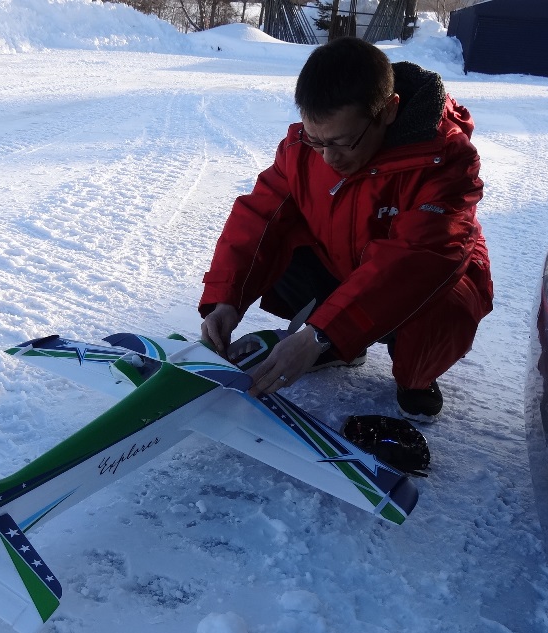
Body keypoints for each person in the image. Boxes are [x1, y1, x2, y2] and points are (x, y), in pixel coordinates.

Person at [198, 38, 493, 421]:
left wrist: (319, 333)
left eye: (342, 143)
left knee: (438, 305)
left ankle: (414, 376)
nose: (328, 158)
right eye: (316, 140)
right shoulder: (303, 149)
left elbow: (418, 259)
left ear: (388, 111)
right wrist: (226, 300)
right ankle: (340, 344)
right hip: (345, 264)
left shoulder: (446, 161)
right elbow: (258, 218)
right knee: (275, 247)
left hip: (424, 284)